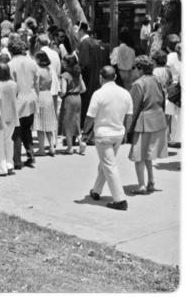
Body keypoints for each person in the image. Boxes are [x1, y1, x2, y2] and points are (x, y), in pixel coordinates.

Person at [82, 66, 133, 210]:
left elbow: (90, 117)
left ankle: (120, 200)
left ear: (101, 78)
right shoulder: (125, 93)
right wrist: (126, 133)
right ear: (115, 77)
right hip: (118, 133)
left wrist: (85, 133)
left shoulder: (98, 94)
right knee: (106, 163)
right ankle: (96, 190)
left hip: (104, 134)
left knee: (109, 165)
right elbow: (129, 116)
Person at [128, 55, 168, 194]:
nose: (132, 70)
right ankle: (151, 181)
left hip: (144, 121)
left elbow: (133, 108)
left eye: (134, 67)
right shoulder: (156, 79)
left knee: (139, 155)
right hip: (158, 118)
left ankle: (141, 185)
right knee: (148, 154)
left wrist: (128, 128)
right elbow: (162, 98)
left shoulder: (138, 84)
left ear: (139, 68)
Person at [7, 38, 38, 168]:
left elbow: (11, 85)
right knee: (27, 129)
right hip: (31, 98)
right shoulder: (32, 63)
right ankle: (31, 155)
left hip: (18, 99)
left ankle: (17, 161)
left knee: (16, 131)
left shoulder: (10, 64)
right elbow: (36, 81)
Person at [76, 22, 102, 127]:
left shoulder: (84, 43)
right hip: (96, 77)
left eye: (76, 30)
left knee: (86, 104)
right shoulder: (95, 42)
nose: (76, 33)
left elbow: (84, 64)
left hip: (87, 80)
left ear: (81, 31)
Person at [59, 55, 86, 155]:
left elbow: (63, 91)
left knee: (68, 122)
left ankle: (70, 148)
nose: (62, 62)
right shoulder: (78, 74)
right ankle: (81, 142)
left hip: (69, 99)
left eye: (63, 61)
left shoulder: (65, 75)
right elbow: (84, 89)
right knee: (76, 121)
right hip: (78, 98)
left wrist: (59, 94)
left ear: (67, 63)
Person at [34, 51, 58, 156]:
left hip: (41, 96)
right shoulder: (49, 70)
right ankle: (52, 146)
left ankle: (41, 149)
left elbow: (37, 85)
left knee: (40, 124)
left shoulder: (38, 71)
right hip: (49, 95)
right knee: (48, 123)